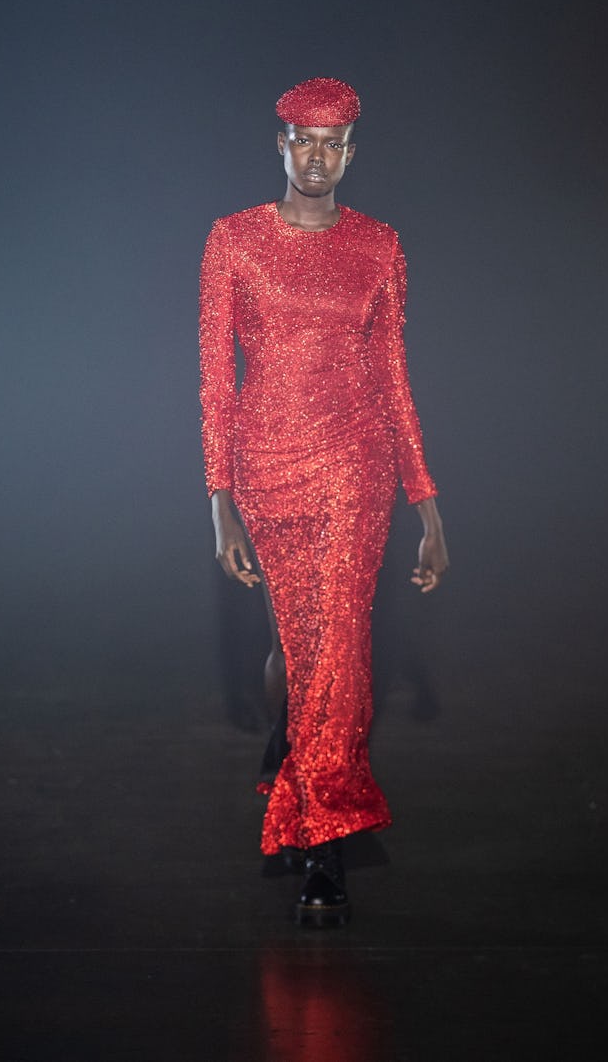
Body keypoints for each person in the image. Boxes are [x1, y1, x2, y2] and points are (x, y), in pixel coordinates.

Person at [199, 77, 449, 926]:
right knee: (292, 646)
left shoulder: (380, 245)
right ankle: (294, 743)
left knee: (339, 640)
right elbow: (213, 383)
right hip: (266, 469)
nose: (315, 154)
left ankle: (325, 841)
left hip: (355, 467)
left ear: (351, 152)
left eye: (331, 142)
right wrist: (219, 501)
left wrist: (428, 506)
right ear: (280, 143)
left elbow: (394, 377)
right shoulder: (232, 241)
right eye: (301, 138)